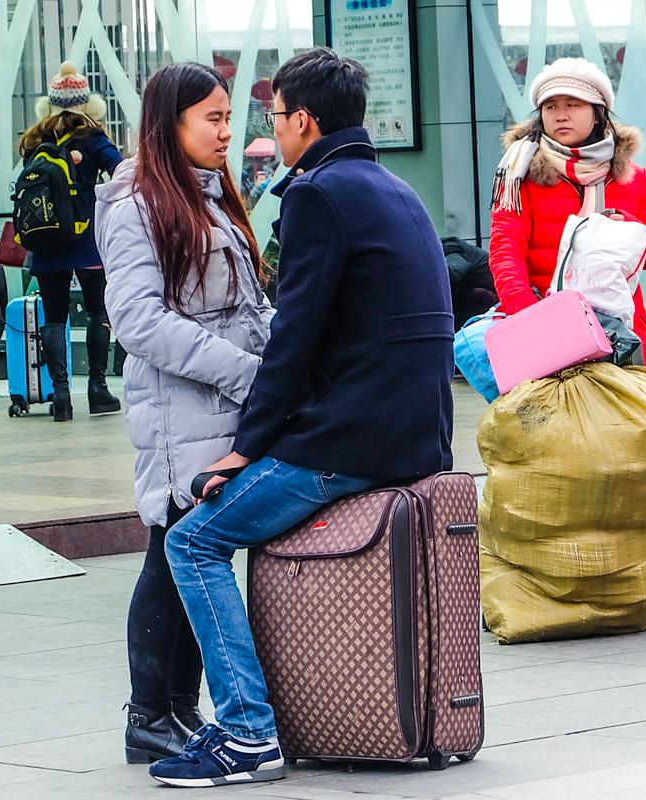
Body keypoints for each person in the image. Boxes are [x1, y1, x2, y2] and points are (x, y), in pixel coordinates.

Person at [148, 48, 454, 788]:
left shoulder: (316, 194)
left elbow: (294, 338)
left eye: (276, 117)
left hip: (349, 442)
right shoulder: (394, 188)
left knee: (192, 541)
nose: (272, 130)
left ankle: (248, 733)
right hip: (420, 436)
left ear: (305, 121)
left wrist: (245, 449)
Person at [95, 62, 275, 766]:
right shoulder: (135, 203)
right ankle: (151, 712)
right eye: (213, 119)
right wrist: (245, 377)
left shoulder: (210, 196)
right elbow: (137, 321)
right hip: (181, 413)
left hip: (223, 406)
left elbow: (248, 308)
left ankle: (175, 708)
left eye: (231, 118)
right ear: (169, 125)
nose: (227, 132)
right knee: (174, 552)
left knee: (191, 554)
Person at [489, 57, 646, 365]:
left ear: (598, 113)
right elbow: (505, 252)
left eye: (573, 105)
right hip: (547, 327)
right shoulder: (518, 175)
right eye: (551, 107)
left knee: (624, 414)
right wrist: (529, 317)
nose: (561, 115)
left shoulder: (632, 176)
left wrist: (629, 229)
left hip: (621, 333)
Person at [19, 61, 123, 421]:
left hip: (46, 240)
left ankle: (61, 396)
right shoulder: (92, 137)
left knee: (54, 317)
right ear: (85, 104)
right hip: (87, 240)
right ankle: (97, 388)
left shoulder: (35, 139)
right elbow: (120, 170)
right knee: (97, 311)